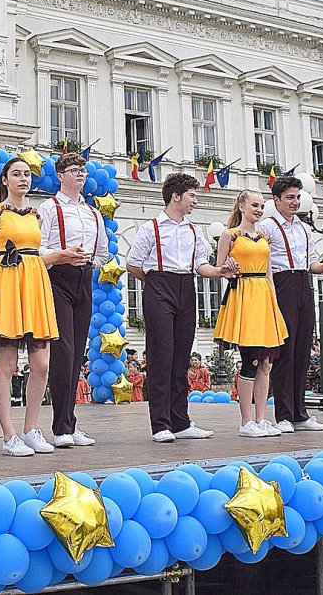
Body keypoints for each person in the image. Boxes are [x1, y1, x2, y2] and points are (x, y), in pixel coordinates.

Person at [127, 172, 236, 443]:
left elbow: (201, 265)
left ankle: (181, 421)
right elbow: (133, 264)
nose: (195, 201)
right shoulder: (151, 228)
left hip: (186, 287)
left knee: (181, 356)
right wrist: (155, 283)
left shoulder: (193, 231)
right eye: (191, 196)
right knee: (161, 355)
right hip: (159, 285)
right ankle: (160, 424)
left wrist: (220, 271)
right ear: (176, 196)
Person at [0, 157, 59, 456]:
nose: (23, 179)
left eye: (27, 174)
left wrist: (61, 256)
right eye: (17, 174)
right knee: (7, 363)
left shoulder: (36, 215)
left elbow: (39, 253)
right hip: (7, 283)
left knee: (42, 364)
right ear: (5, 179)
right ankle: (9, 435)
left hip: (34, 283)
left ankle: (30, 428)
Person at [259, 176, 323, 434]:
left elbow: (311, 263)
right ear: (276, 200)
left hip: (304, 283)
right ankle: (283, 414)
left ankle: (299, 413)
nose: (295, 202)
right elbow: (262, 261)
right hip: (281, 284)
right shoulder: (267, 227)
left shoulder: (305, 229)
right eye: (289, 197)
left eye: (297, 197)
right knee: (285, 350)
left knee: (303, 348)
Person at [38, 152, 107, 449]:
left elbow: (103, 251)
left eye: (83, 170)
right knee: (63, 352)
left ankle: (70, 421)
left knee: (78, 352)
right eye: (74, 170)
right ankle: (61, 426)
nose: (80, 174)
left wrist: (91, 262)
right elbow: (37, 249)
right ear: (60, 175)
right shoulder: (48, 208)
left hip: (83, 278)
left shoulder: (92, 212)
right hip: (58, 278)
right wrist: (61, 256)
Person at [212, 189, 289, 438]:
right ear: (242, 206)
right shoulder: (230, 235)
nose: (259, 210)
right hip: (244, 294)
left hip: (263, 296)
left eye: (262, 206)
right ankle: (246, 421)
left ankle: (261, 418)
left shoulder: (263, 237)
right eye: (255, 205)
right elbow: (219, 269)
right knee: (251, 360)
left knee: (266, 362)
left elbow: (269, 272)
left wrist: (274, 303)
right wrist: (229, 268)